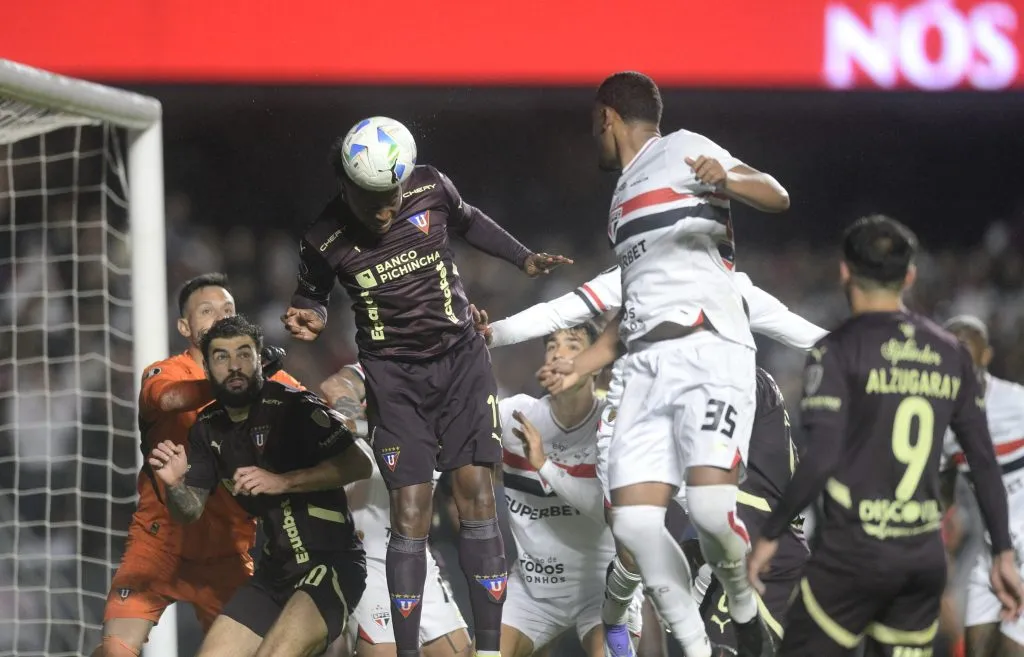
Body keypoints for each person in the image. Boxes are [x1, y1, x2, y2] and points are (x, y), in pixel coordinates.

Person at [281, 117, 571, 657]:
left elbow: (469, 220)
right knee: (410, 509)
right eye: (374, 200)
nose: (387, 209)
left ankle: (487, 651)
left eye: (392, 195)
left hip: (461, 361)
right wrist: (311, 316)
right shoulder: (324, 237)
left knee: (476, 497)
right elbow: (311, 295)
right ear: (346, 186)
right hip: (393, 378)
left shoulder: (430, 185)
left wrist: (521, 257)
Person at [555, 70, 789, 657]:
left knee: (711, 510)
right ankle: (698, 649)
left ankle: (741, 607)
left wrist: (728, 177)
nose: (594, 137)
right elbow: (635, 303)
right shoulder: (620, 201)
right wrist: (582, 364)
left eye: (594, 125)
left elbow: (778, 195)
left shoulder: (683, 147)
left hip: (709, 349)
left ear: (607, 116)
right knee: (633, 526)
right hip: (646, 365)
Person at [493, 264, 819, 656]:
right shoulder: (616, 424)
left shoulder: (717, 296)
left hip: (761, 548)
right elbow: (627, 532)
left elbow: (804, 333)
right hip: (720, 556)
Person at [748, 215, 1024, 657]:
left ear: (844, 271)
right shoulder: (950, 352)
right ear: (909, 276)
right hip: (919, 561)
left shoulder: (836, 350)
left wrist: (770, 534)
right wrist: (1003, 555)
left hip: (853, 554)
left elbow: (820, 459)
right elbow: (983, 459)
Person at [94, 273, 301, 657]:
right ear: (185, 327)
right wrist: (235, 380)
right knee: (114, 651)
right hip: (159, 544)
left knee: (267, 650)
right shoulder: (165, 373)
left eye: (228, 309)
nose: (220, 317)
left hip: (227, 551)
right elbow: (171, 400)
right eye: (207, 311)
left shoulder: (269, 380)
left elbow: (319, 418)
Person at [149, 315, 373, 657]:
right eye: (222, 357)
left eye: (244, 354)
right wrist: (176, 485)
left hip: (329, 565)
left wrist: (282, 481)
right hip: (273, 575)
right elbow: (189, 510)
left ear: (260, 360)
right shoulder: (206, 429)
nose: (234, 365)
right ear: (208, 370)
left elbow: (358, 463)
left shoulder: (293, 406)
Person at [499, 324, 643, 657]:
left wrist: (545, 466)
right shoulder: (514, 416)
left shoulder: (615, 427)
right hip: (533, 590)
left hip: (602, 588)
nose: (559, 353)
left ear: (596, 364)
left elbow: (611, 514)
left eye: (573, 346)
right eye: (552, 346)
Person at [319, 363, 474, 657]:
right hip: (367, 559)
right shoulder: (381, 366)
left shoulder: (452, 389)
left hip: (416, 558)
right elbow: (335, 388)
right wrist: (355, 421)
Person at [940, 315, 1024, 657]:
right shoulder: (944, 423)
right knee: (975, 649)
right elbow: (942, 487)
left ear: (985, 357)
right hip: (991, 552)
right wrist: (941, 540)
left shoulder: (1017, 403)